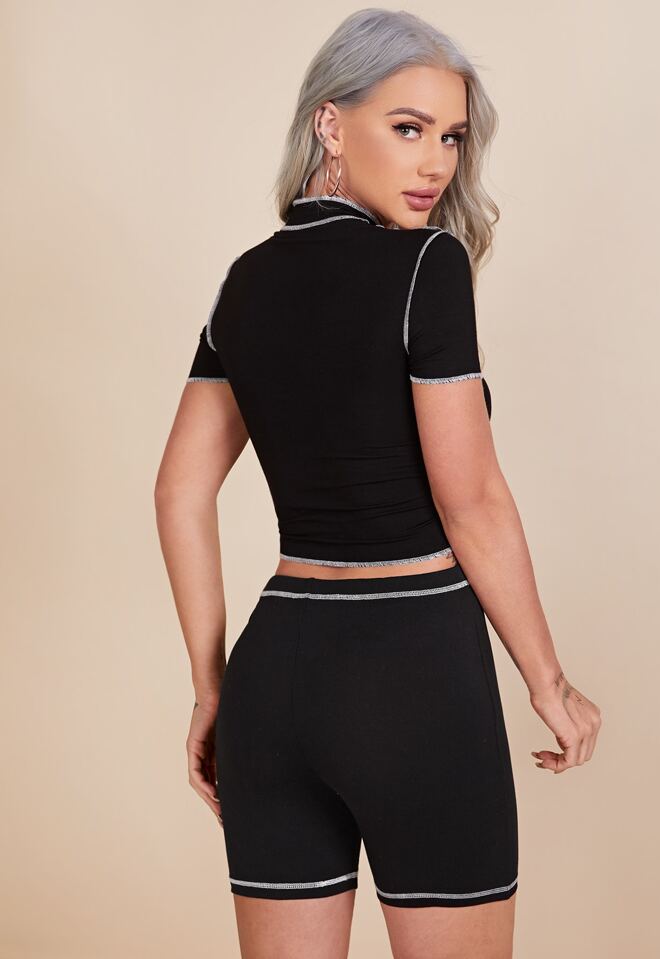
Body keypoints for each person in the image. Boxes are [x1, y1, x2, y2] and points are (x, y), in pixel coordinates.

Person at [155, 9, 602, 958]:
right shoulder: (427, 266)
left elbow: (180, 491)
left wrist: (210, 688)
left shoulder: (244, 281)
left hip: (273, 684)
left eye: (451, 137)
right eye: (408, 128)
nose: (435, 162)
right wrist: (550, 683)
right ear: (330, 123)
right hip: (413, 672)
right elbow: (470, 500)